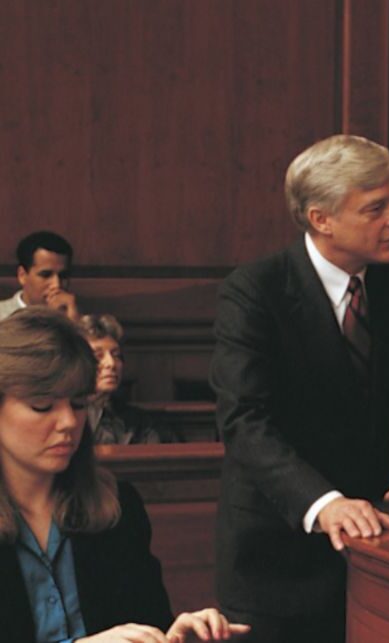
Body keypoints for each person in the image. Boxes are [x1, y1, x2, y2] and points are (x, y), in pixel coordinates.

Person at [210, 134, 389, 641]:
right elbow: (244, 421)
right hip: (274, 557)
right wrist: (323, 502)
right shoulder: (255, 290)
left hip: (375, 548)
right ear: (321, 219)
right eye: (376, 208)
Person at [0, 307, 249, 643]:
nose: (70, 423)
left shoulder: (118, 506)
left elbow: (145, 621)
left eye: (77, 404)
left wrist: (172, 634)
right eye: (43, 406)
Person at [80, 314, 166, 445]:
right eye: (98, 356)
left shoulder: (141, 424)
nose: (111, 363)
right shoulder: (68, 421)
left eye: (116, 355)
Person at [0, 231, 79, 321]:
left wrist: (74, 324)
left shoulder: (76, 317)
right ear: (22, 275)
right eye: (46, 275)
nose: (56, 285)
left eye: (63, 276)